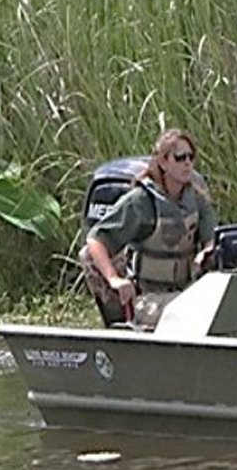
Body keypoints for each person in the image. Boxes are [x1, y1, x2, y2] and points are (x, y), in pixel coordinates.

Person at [81, 128, 217, 326]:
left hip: (189, 289)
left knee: (222, 313)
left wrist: (207, 252)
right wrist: (114, 280)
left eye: (191, 157)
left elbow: (210, 238)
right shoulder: (142, 202)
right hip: (148, 297)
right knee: (197, 315)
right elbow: (96, 239)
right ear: (163, 162)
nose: (187, 163)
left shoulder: (196, 195)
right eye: (180, 158)